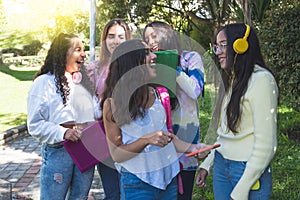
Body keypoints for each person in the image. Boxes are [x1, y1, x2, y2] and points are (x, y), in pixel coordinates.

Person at [100, 39, 209, 200]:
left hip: (168, 180)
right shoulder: (112, 104)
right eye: (147, 53)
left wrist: (195, 148)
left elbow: (168, 138)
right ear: (132, 63)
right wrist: (146, 140)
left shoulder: (158, 94)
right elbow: (117, 154)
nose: (154, 56)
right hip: (137, 183)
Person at [195, 23, 278, 200]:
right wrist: (207, 164)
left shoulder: (262, 80)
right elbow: (225, 133)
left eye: (223, 45)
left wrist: (242, 189)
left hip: (247, 169)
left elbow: (267, 144)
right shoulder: (234, 80)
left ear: (241, 45)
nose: (217, 52)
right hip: (221, 165)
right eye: (216, 46)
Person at [27, 33, 95, 199]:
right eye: (77, 49)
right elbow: (35, 125)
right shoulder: (43, 82)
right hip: (59, 149)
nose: (84, 54)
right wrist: (63, 132)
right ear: (63, 53)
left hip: (86, 147)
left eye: (84, 49)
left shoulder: (82, 82)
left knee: (80, 197)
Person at [143, 21, 205, 200]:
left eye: (154, 36)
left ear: (166, 34)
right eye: (147, 39)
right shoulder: (149, 65)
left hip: (186, 144)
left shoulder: (190, 59)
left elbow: (195, 90)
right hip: (160, 145)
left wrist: (171, 66)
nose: (151, 42)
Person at [86, 18, 132, 200]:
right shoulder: (95, 69)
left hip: (131, 137)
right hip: (104, 138)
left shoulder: (136, 65)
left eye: (121, 36)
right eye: (111, 36)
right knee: (113, 192)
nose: (115, 41)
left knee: (131, 190)